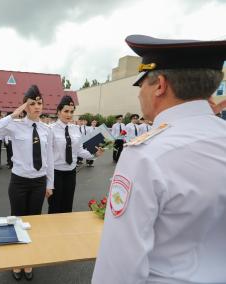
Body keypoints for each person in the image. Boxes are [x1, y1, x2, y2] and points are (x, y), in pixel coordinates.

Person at [92, 34, 226, 284]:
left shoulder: (146, 156)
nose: (139, 94)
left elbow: (120, 264)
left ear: (160, 85)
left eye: (142, 84)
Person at [0, 85, 54, 281]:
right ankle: (16, 260)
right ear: (25, 106)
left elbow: (48, 158)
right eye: (32, 103)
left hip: (39, 182)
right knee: (17, 220)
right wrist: (14, 114)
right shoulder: (15, 125)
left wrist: (50, 184)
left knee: (33, 222)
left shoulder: (46, 129)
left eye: (39, 103)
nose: (37, 107)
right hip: (19, 181)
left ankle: (28, 260)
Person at [48, 96, 103, 214]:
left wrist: (95, 154)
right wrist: (48, 182)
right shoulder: (50, 129)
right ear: (58, 112)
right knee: (54, 206)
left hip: (71, 173)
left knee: (67, 206)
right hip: (55, 173)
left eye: (71, 112)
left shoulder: (75, 129)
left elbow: (79, 151)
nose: (69, 114)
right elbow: (46, 156)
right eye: (66, 111)